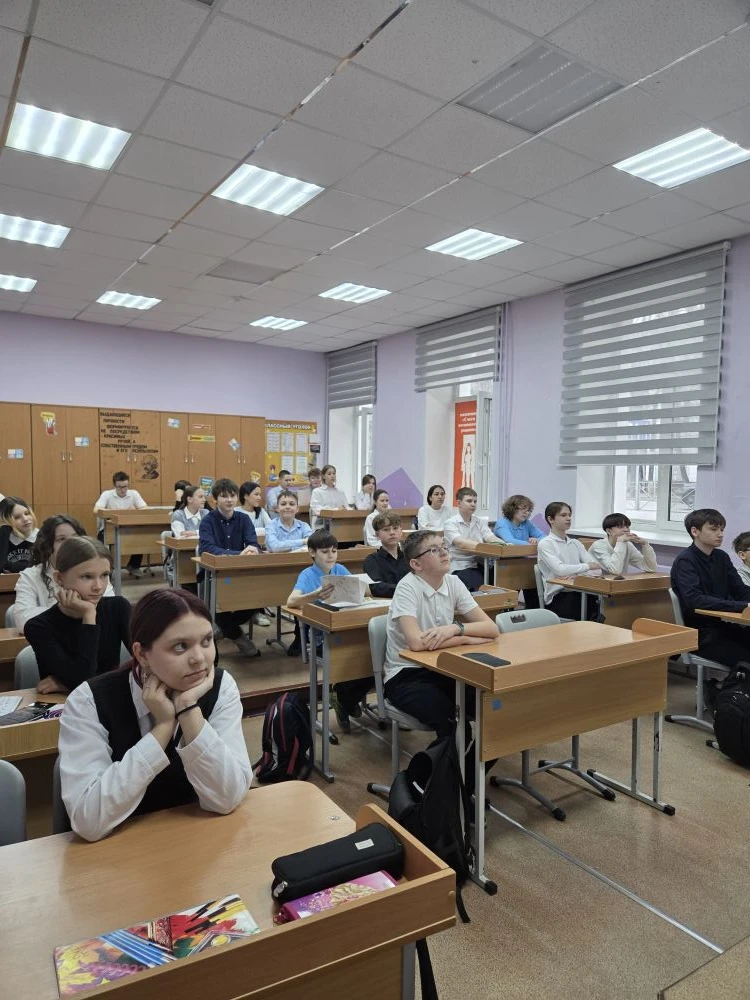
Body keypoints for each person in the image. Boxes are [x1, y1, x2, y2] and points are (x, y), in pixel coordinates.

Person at [58, 588, 252, 842]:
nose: (199, 659)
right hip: (118, 852)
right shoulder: (88, 701)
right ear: (141, 654)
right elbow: (89, 820)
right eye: (180, 646)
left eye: (206, 641)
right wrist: (162, 729)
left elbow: (227, 799)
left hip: (197, 841)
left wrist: (187, 709)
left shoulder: (221, 687)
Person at [383, 529, 499, 791]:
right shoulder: (407, 587)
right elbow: (416, 643)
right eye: (434, 550)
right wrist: (465, 639)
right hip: (406, 674)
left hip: (444, 669)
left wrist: (454, 628)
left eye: (444, 546)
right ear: (416, 564)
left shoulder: (453, 582)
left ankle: (462, 788)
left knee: (495, 713)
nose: (445, 552)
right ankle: (421, 786)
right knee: (455, 726)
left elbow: (491, 629)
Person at [286, 529, 371, 729]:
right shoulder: (307, 574)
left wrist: (364, 587)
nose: (331, 555)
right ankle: (345, 699)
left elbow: (362, 590)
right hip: (321, 635)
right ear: (312, 552)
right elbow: (291, 601)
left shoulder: (340, 569)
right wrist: (314, 595)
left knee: (370, 654)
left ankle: (345, 698)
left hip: (345, 627)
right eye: (325, 552)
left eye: (334, 551)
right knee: (355, 655)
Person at [24, 536, 131, 694]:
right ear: (59, 578)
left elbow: (147, 662)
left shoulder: (118, 607)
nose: (98, 586)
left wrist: (66, 684)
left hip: (111, 700)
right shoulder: (38, 627)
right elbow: (82, 683)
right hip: (64, 705)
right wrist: (89, 615)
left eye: (104, 575)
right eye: (87, 577)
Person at [671, 509, 750, 667]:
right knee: (746, 657)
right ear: (695, 531)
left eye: (722, 529)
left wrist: (745, 603)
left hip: (720, 626)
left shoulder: (721, 557)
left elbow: (740, 591)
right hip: (698, 634)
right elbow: (695, 600)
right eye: (714, 529)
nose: (720, 534)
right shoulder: (685, 561)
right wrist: (743, 606)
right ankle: (733, 683)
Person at [14, 514, 115, 631]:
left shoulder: (96, 570)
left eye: (75, 538)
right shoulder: (30, 576)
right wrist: (68, 610)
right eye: (61, 539)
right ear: (48, 546)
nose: (70, 544)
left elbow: (109, 613)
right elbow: (23, 620)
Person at [198, 478, 260, 657]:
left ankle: (224, 630)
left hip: (241, 573)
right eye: (224, 496)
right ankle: (239, 637)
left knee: (257, 599)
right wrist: (239, 554)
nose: (229, 500)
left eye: (232, 496)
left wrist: (252, 550)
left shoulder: (243, 519)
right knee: (217, 603)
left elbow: (253, 544)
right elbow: (206, 549)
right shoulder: (208, 521)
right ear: (215, 499)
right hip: (213, 575)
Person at [536, 501, 602, 621]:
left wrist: (577, 576)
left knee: (602, 602)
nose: (568, 518)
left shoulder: (575, 543)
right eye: (563, 515)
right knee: (589, 608)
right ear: (551, 519)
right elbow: (560, 570)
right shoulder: (545, 544)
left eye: (569, 515)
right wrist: (586, 567)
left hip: (580, 590)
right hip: (559, 595)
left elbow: (597, 569)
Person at [443, 487, 505, 592]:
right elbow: (461, 543)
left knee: (502, 578)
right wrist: (485, 547)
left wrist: (505, 545)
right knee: (479, 585)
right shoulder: (450, 523)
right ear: (459, 503)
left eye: (475, 501)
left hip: (481, 563)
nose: (473, 504)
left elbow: (491, 537)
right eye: (469, 501)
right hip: (461, 565)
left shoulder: (479, 521)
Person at [492, 494, 544, 608]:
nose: (526, 512)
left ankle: (533, 612)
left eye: (528, 510)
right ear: (512, 509)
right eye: (523, 509)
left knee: (532, 586)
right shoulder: (502, 523)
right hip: (503, 564)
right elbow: (509, 541)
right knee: (509, 600)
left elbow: (544, 537)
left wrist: (537, 540)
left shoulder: (527, 523)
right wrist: (530, 545)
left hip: (522, 562)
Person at [94, 471, 147, 577]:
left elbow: (145, 509)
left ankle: (133, 566)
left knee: (140, 537)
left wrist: (136, 510)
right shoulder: (107, 494)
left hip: (128, 528)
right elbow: (96, 510)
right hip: (109, 529)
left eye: (125, 487)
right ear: (114, 485)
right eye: (120, 487)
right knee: (101, 543)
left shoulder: (134, 494)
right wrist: (114, 512)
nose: (123, 490)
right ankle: (106, 570)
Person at [589, 513, 658, 575]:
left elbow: (650, 568)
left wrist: (645, 545)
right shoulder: (598, 546)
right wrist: (620, 542)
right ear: (609, 531)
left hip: (617, 582)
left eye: (627, 526)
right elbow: (615, 571)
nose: (626, 530)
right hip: (594, 583)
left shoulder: (627, 545)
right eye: (620, 527)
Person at [363, 511, 409, 597]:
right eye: (386, 529)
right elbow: (375, 587)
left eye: (395, 528)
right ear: (377, 535)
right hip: (386, 602)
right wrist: (405, 590)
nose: (392, 532)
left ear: (401, 531)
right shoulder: (372, 560)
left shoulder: (409, 557)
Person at [0, 496, 38, 573]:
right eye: (17, 517)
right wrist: (3, 531)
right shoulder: (4, 536)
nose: (25, 519)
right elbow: (1, 566)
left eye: (27, 513)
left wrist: (9, 566)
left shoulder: (42, 536)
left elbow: (42, 567)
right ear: (6, 521)